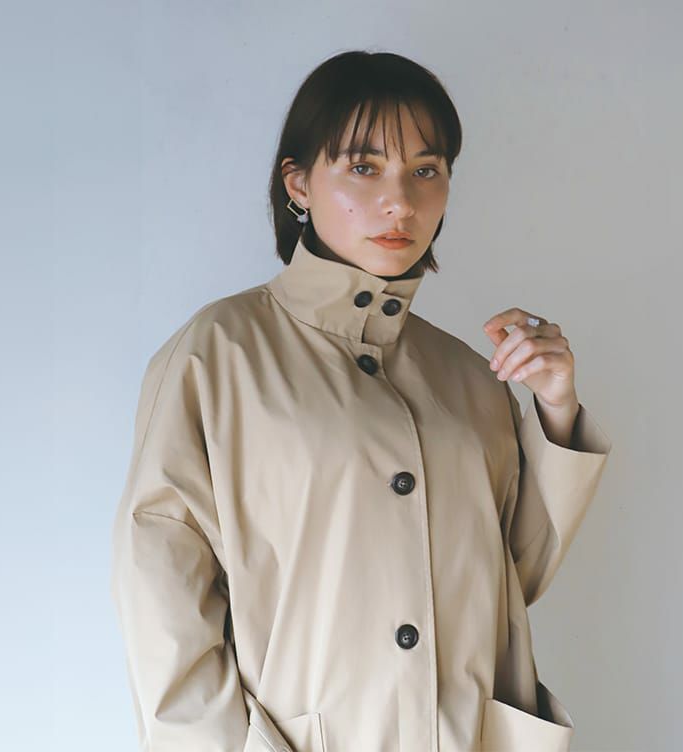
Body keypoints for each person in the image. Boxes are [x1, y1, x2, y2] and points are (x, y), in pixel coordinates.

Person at [110, 50, 611, 752]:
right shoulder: (216, 357)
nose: (400, 202)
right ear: (299, 182)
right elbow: (163, 607)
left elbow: (513, 578)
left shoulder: (472, 378)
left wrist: (555, 409)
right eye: (364, 167)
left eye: (426, 171)